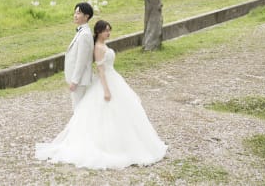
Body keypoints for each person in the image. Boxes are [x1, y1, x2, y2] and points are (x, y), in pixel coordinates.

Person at [35, 20, 167, 169]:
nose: (108, 33)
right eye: (106, 31)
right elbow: (101, 71)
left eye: (109, 30)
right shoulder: (98, 47)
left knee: (124, 113)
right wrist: (106, 90)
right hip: (106, 82)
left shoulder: (103, 45)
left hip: (114, 78)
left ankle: (127, 143)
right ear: (98, 32)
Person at [64, 2, 94, 110]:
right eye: (75, 12)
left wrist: (75, 81)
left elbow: (82, 61)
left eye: (79, 13)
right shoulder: (81, 32)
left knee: (78, 109)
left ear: (86, 16)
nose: (75, 15)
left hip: (80, 81)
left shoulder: (85, 34)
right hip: (77, 79)